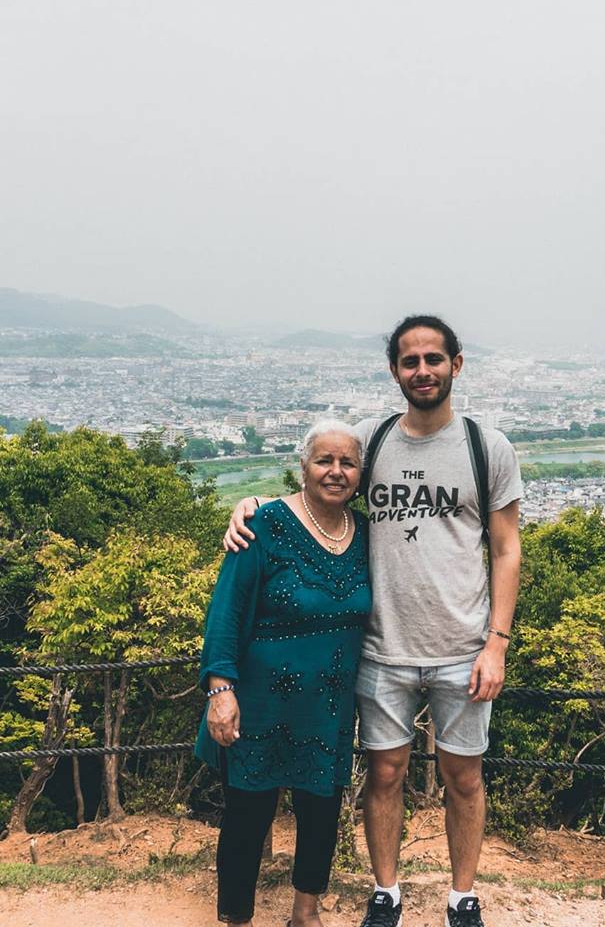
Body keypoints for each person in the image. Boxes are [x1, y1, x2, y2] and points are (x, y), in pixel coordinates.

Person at [225, 315, 523, 927]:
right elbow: (318, 482)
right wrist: (250, 504)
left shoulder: (485, 447)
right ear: (394, 371)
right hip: (381, 646)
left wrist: (496, 643)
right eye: (410, 361)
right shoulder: (372, 440)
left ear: (456, 365)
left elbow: (506, 547)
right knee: (384, 773)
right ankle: (385, 892)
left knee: (463, 775)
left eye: (433, 359)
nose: (422, 371)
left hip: (461, 646)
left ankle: (462, 897)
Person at [196, 420, 371, 927]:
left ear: (360, 474)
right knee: (248, 818)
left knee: (321, 813)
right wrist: (221, 690)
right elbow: (226, 612)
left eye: (347, 463)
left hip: (330, 707)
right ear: (303, 466)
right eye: (324, 461)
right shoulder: (263, 525)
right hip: (261, 704)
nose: (335, 472)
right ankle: (237, 918)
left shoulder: (366, 535)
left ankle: (305, 913)